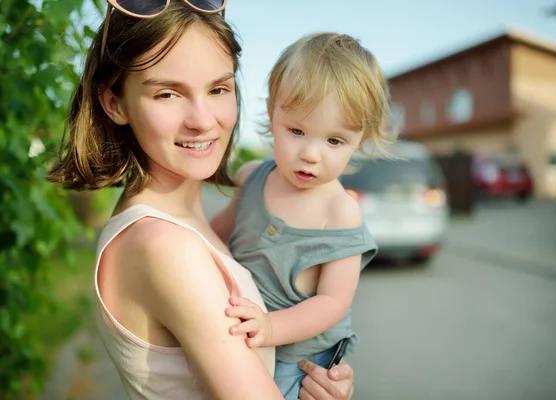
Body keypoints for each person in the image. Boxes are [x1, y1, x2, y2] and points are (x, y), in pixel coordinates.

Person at [47, 2, 355, 399]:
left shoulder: (188, 224)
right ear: (115, 103)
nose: (203, 119)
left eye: (218, 88)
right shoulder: (165, 247)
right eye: (168, 93)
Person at [210, 32, 390, 399]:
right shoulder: (253, 177)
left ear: (361, 139)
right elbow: (215, 236)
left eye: (334, 141)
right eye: (296, 131)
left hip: (299, 362)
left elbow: (332, 303)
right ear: (272, 111)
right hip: (247, 337)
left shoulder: (339, 212)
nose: (310, 153)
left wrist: (271, 327)